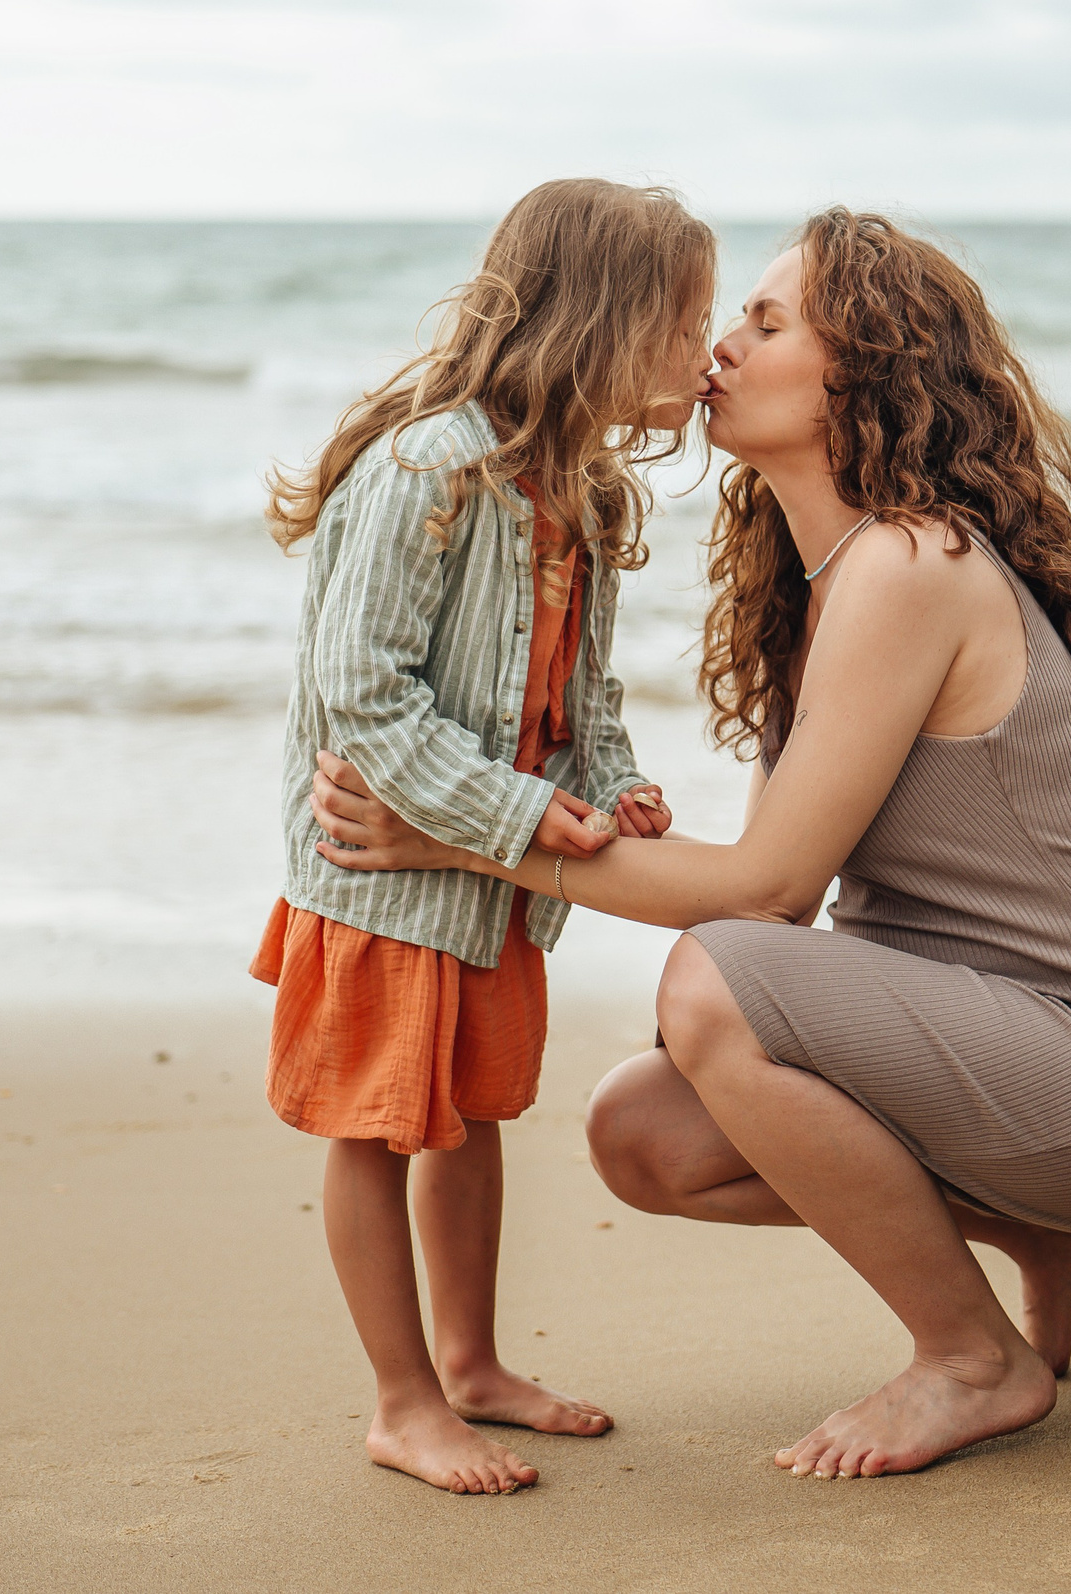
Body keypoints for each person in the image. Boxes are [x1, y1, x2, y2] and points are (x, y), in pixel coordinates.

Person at [308, 209, 1071, 1481]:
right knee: (641, 1130)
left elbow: (758, 897)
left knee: (708, 984)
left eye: (766, 323)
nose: (717, 345)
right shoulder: (823, 578)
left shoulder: (908, 564)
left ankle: (970, 1359)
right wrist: (539, 820)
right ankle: (1047, 1236)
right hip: (1057, 1054)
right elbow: (783, 902)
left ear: (862, 375)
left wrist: (466, 837)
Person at [255, 178, 711, 1494]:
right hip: (380, 873)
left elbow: (587, 690)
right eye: (681, 325)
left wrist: (616, 785)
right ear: (604, 325)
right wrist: (518, 815)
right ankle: (401, 1398)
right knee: (376, 1125)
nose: (702, 352)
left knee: (467, 1115)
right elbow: (366, 690)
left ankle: (472, 1361)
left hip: (490, 884)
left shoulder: (586, 496)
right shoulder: (427, 474)